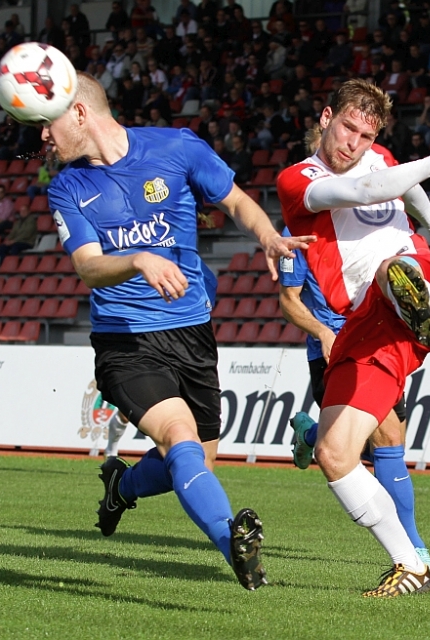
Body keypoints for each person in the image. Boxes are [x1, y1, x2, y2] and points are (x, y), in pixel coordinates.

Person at [44, 73, 313, 590]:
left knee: (194, 462)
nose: (42, 136)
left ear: (79, 113)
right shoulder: (68, 186)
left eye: (47, 122)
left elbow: (235, 201)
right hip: (126, 340)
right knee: (179, 437)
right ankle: (233, 542)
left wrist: (267, 236)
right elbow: (88, 266)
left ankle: (122, 487)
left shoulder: (177, 147)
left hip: (192, 332)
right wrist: (139, 259)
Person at [277, 80, 430, 597]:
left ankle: (412, 300)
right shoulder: (298, 180)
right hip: (366, 330)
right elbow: (368, 190)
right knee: (335, 453)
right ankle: (410, 565)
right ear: (326, 118)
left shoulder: (380, 159)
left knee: (392, 267)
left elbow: (400, 185)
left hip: (424, 282)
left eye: (366, 136)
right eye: (348, 128)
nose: (355, 143)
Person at [278, 228, 430, 573]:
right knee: (385, 441)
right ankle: (413, 549)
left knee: (385, 445)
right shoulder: (299, 233)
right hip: (336, 348)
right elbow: (288, 300)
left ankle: (310, 434)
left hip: (380, 343)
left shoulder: (379, 222)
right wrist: (323, 332)